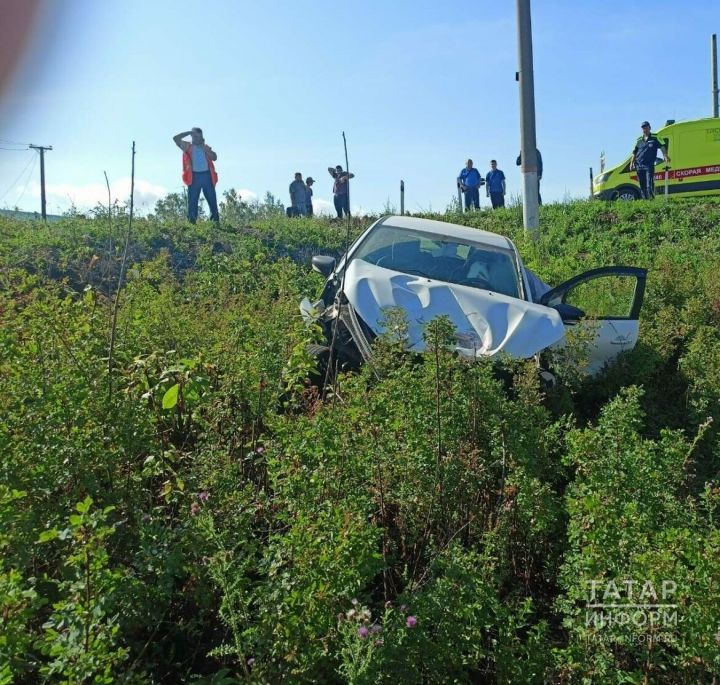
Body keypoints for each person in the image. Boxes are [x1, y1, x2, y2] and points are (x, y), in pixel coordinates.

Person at [173, 127, 219, 223]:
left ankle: (215, 222)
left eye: (199, 136)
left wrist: (205, 149)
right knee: (192, 201)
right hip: (193, 177)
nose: (197, 138)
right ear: (192, 136)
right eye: (195, 136)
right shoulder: (187, 146)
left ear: (202, 137)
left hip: (207, 176)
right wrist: (188, 132)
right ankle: (192, 223)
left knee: (212, 199)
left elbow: (214, 157)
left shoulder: (206, 147)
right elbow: (175, 138)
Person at [630, 121, 670, 200]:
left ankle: (651, 200)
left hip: (649, 165)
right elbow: (634, 152)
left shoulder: (655, 137)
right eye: (643, 128)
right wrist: (631, 163)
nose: (645, 129)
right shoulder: (639, 140)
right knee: (642, 185)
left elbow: (662, 146)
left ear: (650, 128)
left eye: (646, 127)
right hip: (639, 165)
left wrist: (665, 155)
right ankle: (645, 201)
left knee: (649, 184)